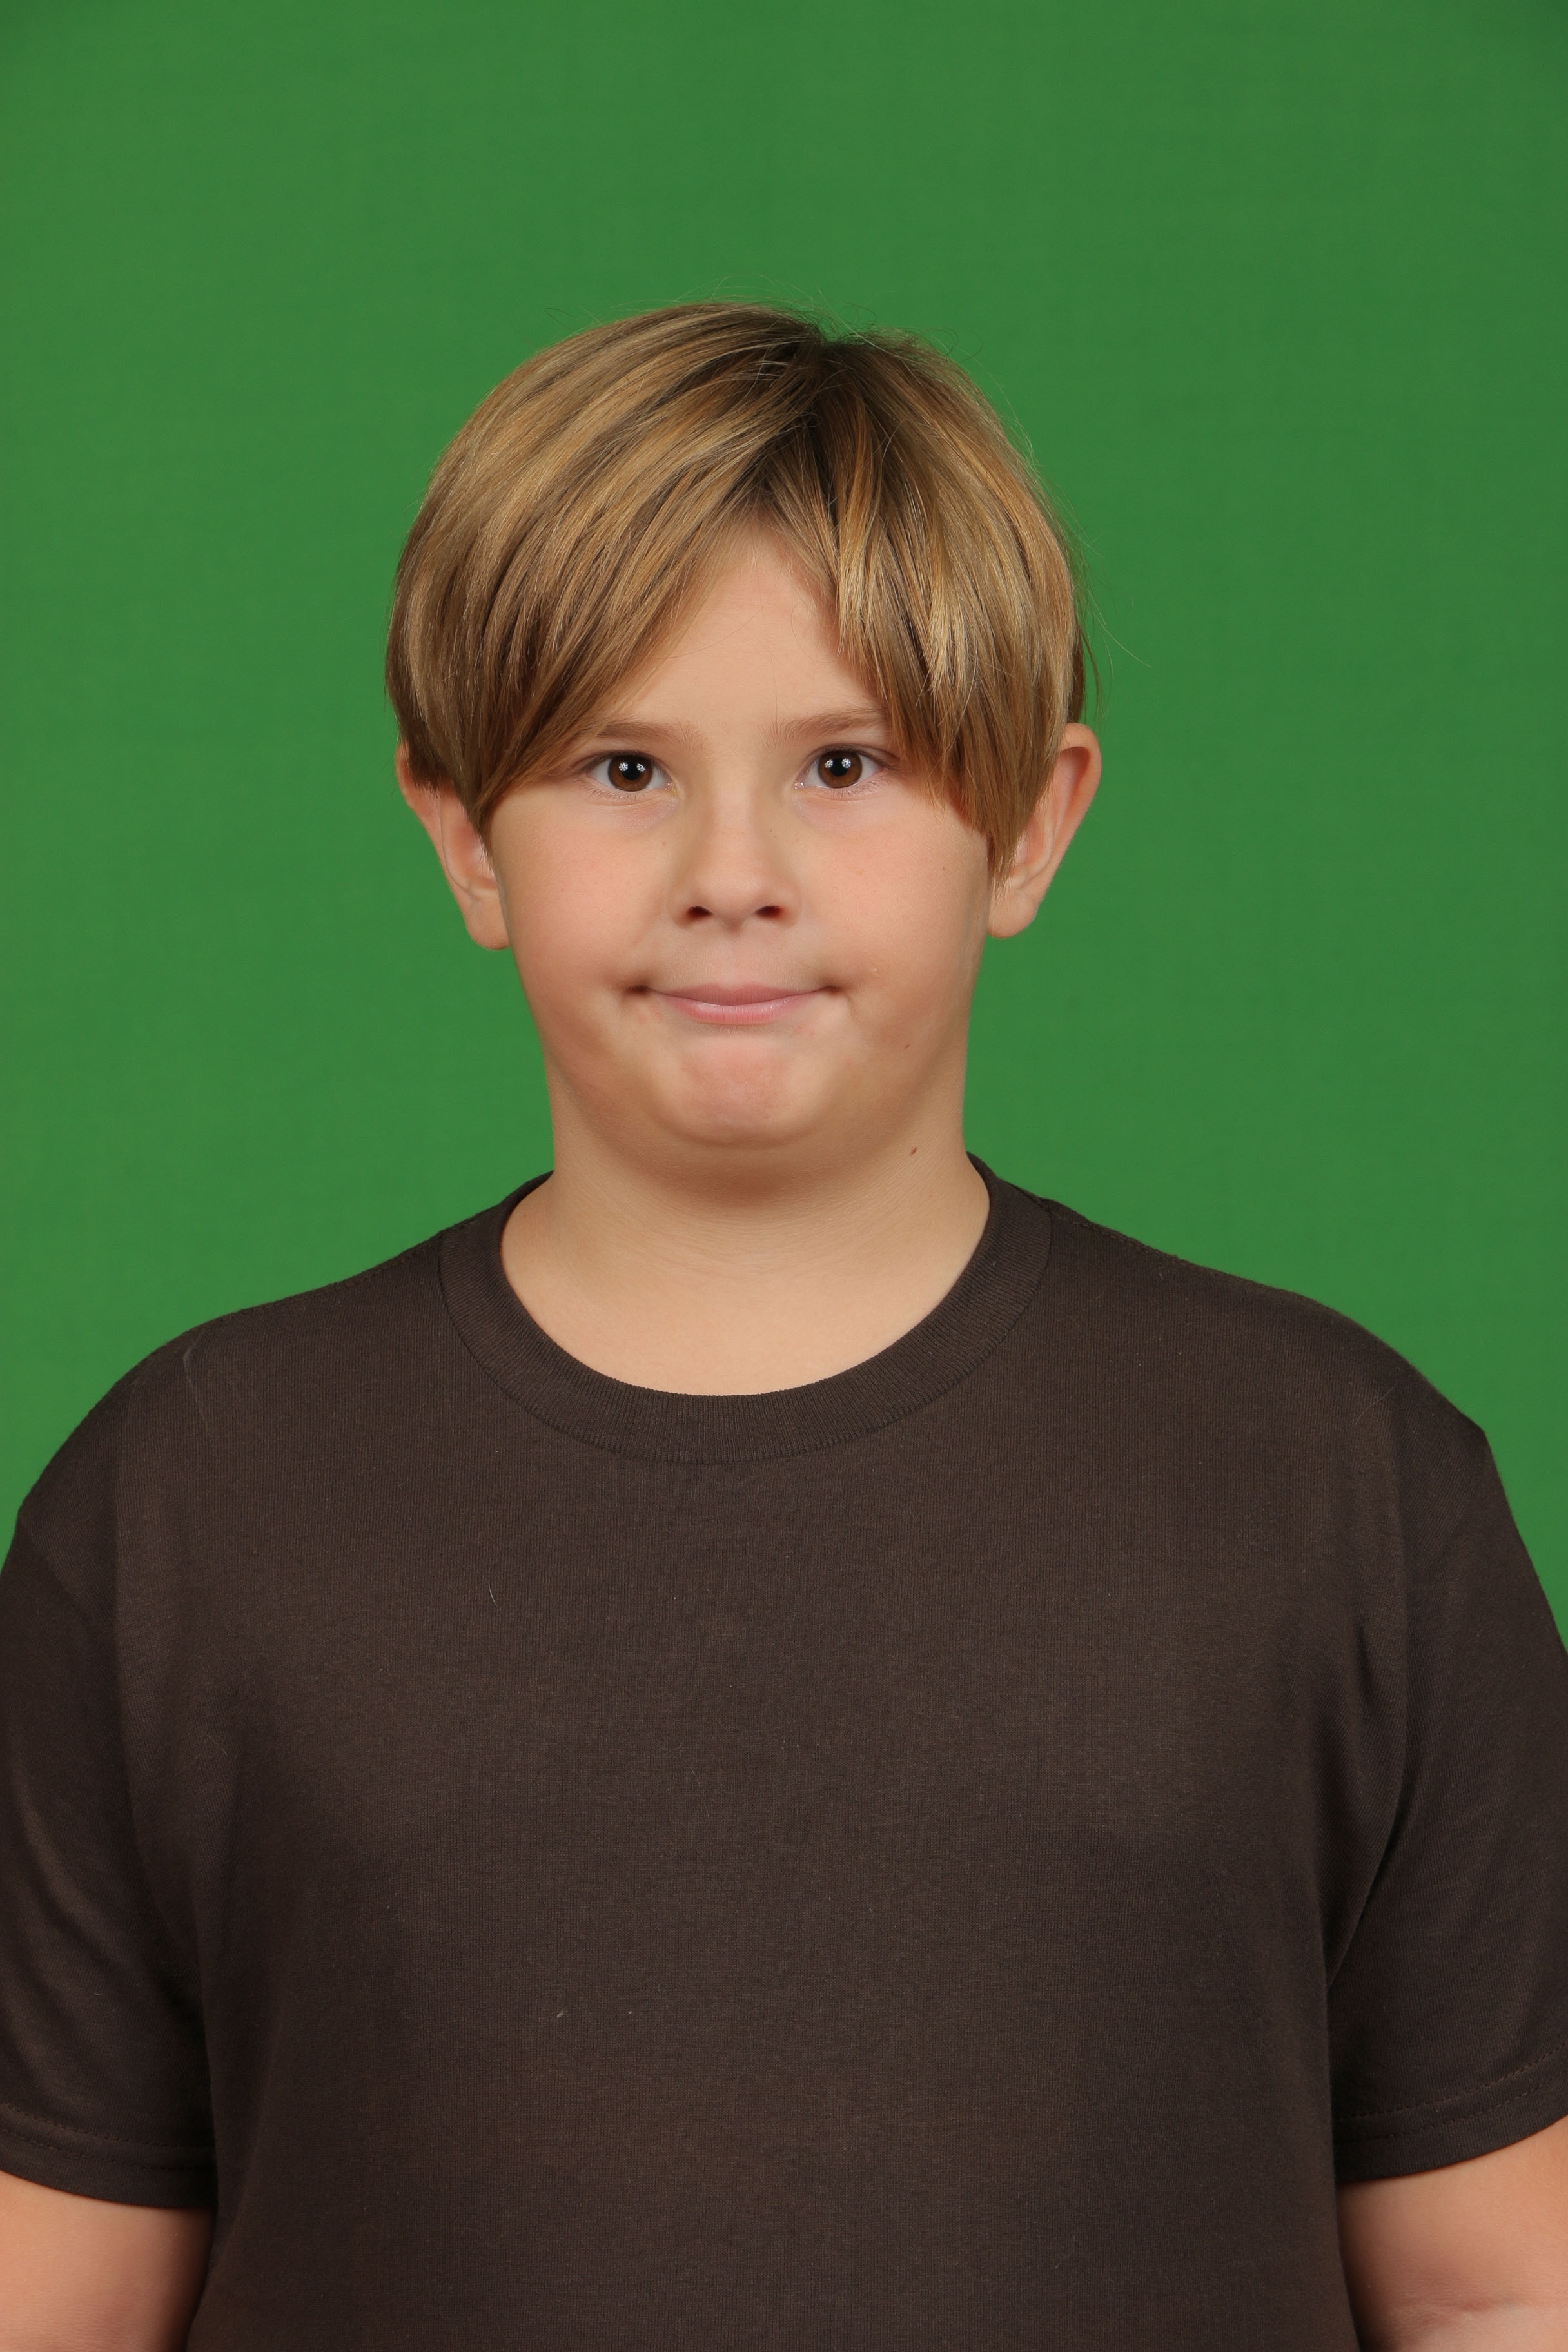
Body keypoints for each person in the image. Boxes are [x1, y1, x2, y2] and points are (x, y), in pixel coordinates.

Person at [1, 303, 1565, 2351]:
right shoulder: (188, 1500)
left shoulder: (1341, 1484)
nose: (731, 873)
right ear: (463, 836)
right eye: (623, 767)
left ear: (1031, 823)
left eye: (845, 765)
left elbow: (1493, 2295)